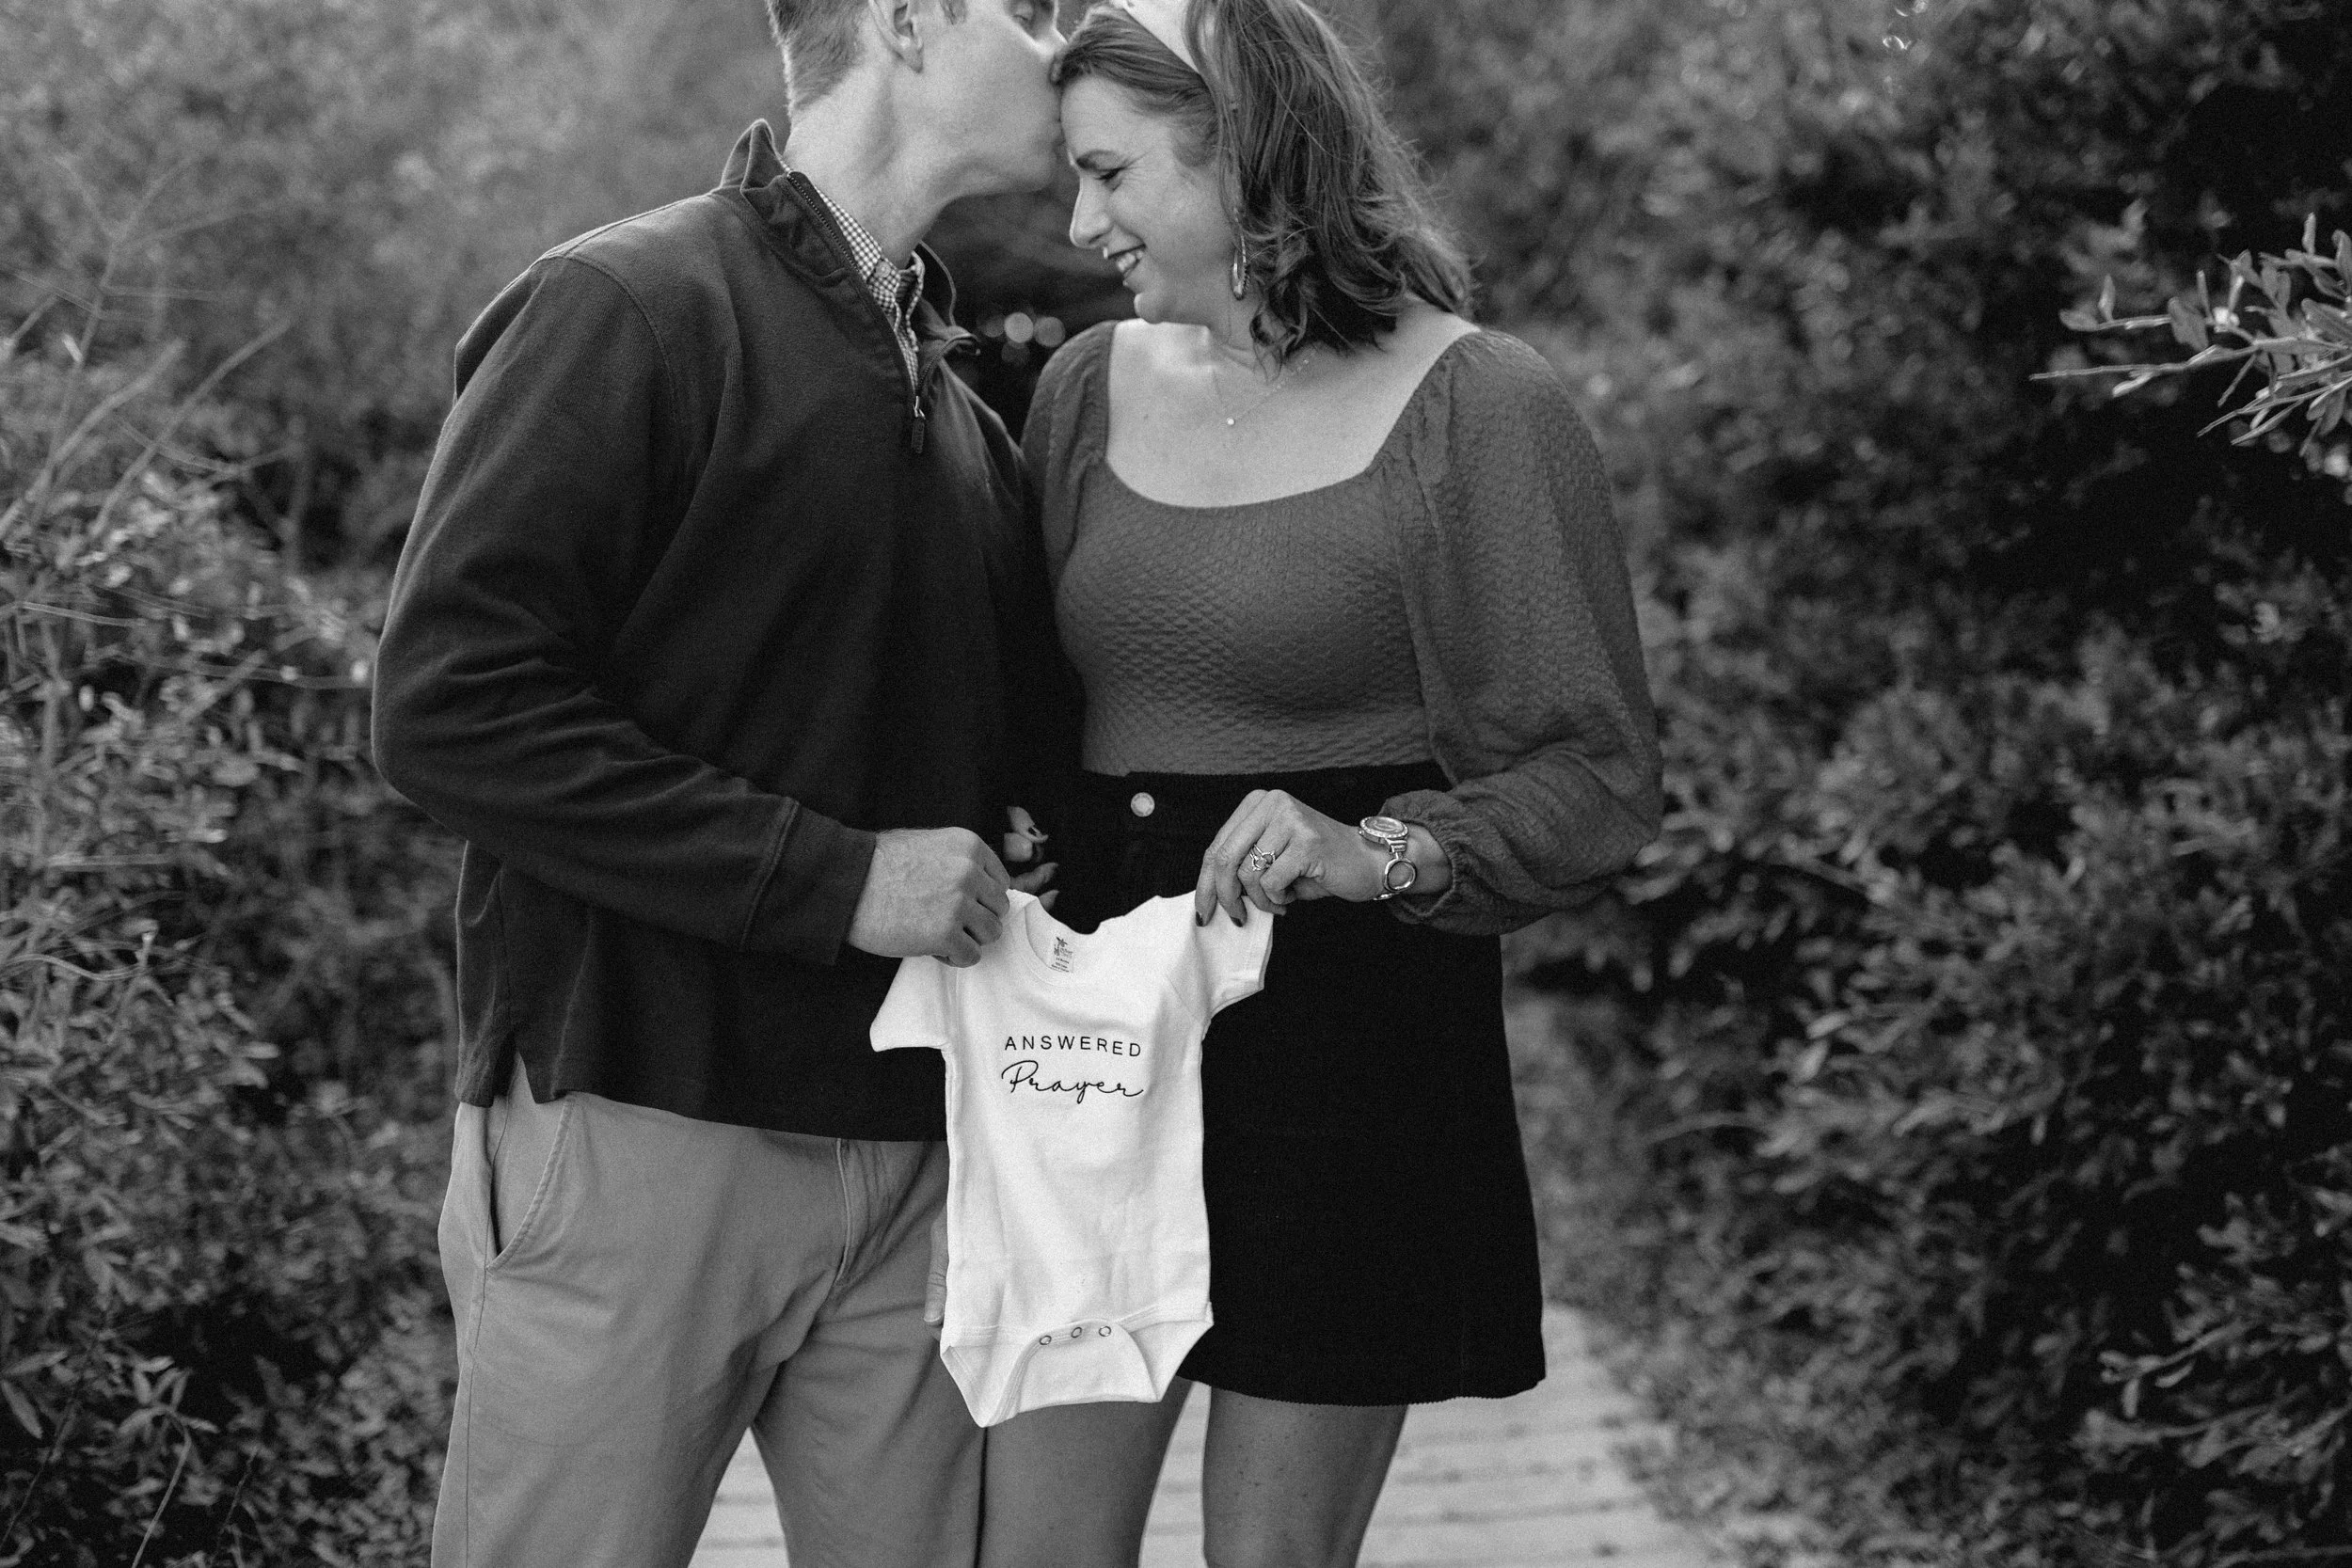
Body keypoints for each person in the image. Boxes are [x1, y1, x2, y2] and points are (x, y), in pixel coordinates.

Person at [370, 2, 1073, 1563]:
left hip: (916, 1159)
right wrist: (841, 878)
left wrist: (1017, 825)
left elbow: (927, 746)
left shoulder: (964, 415)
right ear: (907, 20)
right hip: (642, 1123)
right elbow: (447, 706)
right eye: (1028, 13)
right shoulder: (625, 306)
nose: (1061, 46)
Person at [980, 0, 1663, 1563]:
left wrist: (1387, 848)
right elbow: (1029, 703)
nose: (1083, 225)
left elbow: (1600, 775)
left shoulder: (1483, 408)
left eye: (1111, 173)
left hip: (1351, 1062)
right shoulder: (1084, 388)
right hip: (1098, 1060)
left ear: (1248, 151)